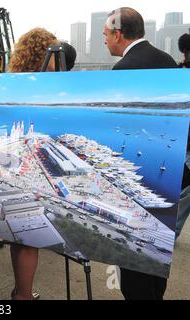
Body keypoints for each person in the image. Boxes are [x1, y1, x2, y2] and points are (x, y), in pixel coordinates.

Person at [104, 7, 177, 300]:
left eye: (106, 35)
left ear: (118, 34)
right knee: (158, 250)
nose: (105, 42)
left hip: (137, 175)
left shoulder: (124, 69)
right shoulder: (168, 60)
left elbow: (118, 127)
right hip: (167, 169)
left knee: (134, 254)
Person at [8, 27, 59, 300]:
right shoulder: (43, 87)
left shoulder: (13, 83)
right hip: (29, 162)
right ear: (44, 53)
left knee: (19, 235)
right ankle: (24, 295)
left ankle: (21, 289)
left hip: (17, 163)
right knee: (29, 237)